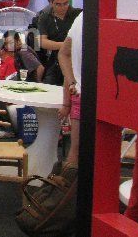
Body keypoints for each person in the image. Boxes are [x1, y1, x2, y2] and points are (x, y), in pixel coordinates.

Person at [37, 0, 82, 85]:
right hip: (55, 61)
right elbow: (42, 42)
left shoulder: (78, 15)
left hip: (76, 60)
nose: (62, 7)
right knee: (48, 88)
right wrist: (65, 45)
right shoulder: (44, 17)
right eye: (58, 4)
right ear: (51, 2)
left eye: (65, 3)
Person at [57, 11, 82, 168]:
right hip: (89, 94)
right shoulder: (81, 19)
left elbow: (64, 55)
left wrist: (72, 84)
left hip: (79, 93)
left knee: (75, 151)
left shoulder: (80, 18)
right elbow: (65, 55)